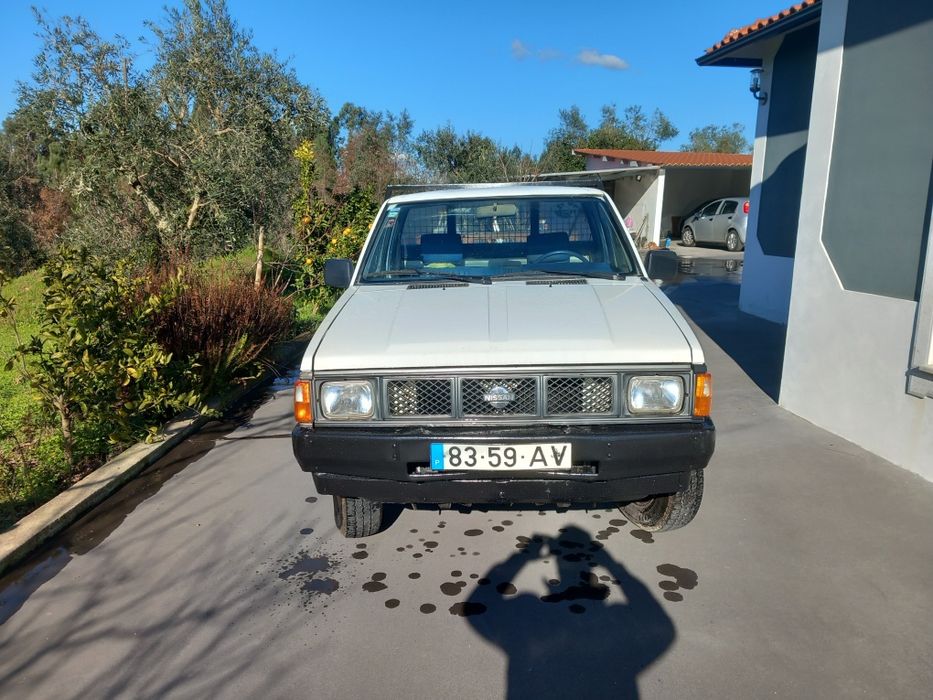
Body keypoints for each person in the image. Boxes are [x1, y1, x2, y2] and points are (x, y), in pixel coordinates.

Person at [466, 525, 675, 699]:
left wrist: (521, 557)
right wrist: (616, 568)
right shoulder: (617, 624)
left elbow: (479, 607)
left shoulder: (529, 621)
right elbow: (662, 628)